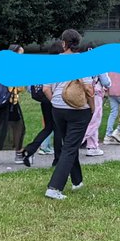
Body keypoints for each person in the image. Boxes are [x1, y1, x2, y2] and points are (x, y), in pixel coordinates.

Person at [43, 29, 96, 200]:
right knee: (70, 147)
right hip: (78, 110)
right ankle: (54, 187)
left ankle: (77, 181)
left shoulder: (53, 62)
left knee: (69, 144)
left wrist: (54, 103)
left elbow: (45, 88)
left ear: (64, 44)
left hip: (58, 108)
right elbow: (88, 88)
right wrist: (92, 107)